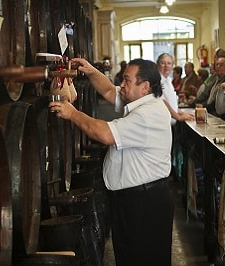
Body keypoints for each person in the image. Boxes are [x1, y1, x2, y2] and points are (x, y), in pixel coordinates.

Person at [50, 58, 174, 265]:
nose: (121, 85)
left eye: (127, 80)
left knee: (140, 259)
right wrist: (90, 71)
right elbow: (109, 90)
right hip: (136, 198)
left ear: (144, 87)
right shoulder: (143, 102)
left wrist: (73, 114)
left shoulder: (147, 114)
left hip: (144, 202)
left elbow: (105, 134)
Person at [156, 53, 194, 124]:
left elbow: (172, 104)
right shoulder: (157, 81)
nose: (166, 66)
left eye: (169, 63)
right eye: (163, 63)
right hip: (162, 123)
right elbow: (163, 102)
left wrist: (182, 113)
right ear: (158, 65)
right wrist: (178, 117)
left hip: (171, 123)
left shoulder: (168, 80)